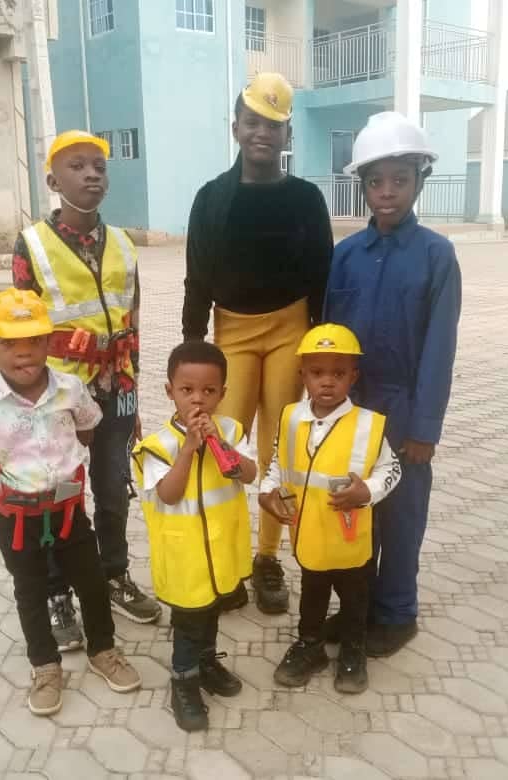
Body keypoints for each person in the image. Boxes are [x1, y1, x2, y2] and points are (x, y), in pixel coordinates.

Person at [0, 288, 142, 716]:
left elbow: (88, 429)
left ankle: (103, 650)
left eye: (34, 340)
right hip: (16, 520)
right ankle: (45, 666)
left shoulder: (70, 389)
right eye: (9, 343)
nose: (24, 352)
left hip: (68, 511)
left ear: (49, 342)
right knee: (30, 592)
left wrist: (64, 463)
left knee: (91, 582)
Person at [182, 72, 333, 615]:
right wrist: (192, 346)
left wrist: (321, 348)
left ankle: (267, 558)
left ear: (288, 132)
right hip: (233, 332)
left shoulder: (306, 199)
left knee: (278, 446)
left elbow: (322, 275)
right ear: (236, 128)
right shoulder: (211, 199)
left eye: (273, 124)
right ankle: (222, 558)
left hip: (292, 330)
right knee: (222, 443)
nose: (262, 133)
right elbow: (197, 275)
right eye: (253, 122)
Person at [12, 130, 161, 651]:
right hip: (60, 397)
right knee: (58, 494)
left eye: (99, 166)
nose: (92, 174)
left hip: (116, 387)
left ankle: (114, 573)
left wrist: (133, 387)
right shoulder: (32, 244)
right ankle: (57, 592)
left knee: (115, 486)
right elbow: (22, 327)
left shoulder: (123, 243)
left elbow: (133, 319)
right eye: (77, 166)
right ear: (54, 182)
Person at [323, 112, 462, 658]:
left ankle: (398, 612)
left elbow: (439, 349)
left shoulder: (435, 255)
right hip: (352, 409)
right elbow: (328, 340)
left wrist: (425, 428)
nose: (387, 192)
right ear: (362, 186)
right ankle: (357, 606)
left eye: (399, 180)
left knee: (401, 515)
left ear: (419, 180)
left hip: (404, 407)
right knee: (356, 513)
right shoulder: (344, 257)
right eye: (376, 181)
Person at [259, 324, 401, 693]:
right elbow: (278, 464)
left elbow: (392, 469)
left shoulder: (368, 424)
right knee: (312, 595)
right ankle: (310, 646)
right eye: (317, 372)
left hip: (350, 538)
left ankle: (353, 650)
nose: (327, 381)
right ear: (302, 374)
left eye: (338, 373)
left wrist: (366, 491)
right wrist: (267, 492)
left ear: (353, 376)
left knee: (355, 598)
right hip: (309, 536)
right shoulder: (290, 417)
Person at [131, 341, 256, 732]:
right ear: (170, 391)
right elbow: (169, 494)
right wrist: (188, 449)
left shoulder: (232, 429)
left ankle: (207, 662)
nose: (198, 399)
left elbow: (249, 473)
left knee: (212, 612)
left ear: (222, 393)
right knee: (188, 625)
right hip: (184, 559)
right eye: (187, 390)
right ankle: (183, 681)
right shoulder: (156, 446)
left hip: (220, 553)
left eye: (209, 390)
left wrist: (221, 444)